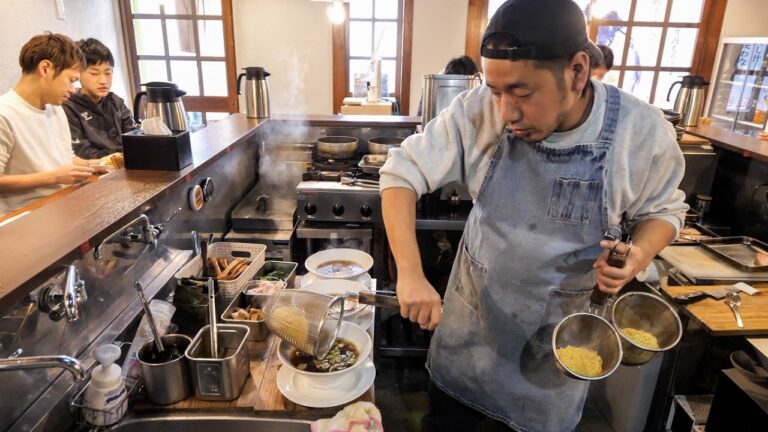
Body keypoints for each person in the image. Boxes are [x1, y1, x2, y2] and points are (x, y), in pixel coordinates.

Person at [379, 0, 687, 431]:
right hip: (469, 341)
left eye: (522, 93)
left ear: (578, 71)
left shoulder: (641, 132)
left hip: (552, 363)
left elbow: (664, 210)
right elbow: (399, 174)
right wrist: (410, 272)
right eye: (496, 91)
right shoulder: (479, 112)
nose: (507, 111)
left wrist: (638, 254)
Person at [0, 33, 105, 215]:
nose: (73, 90)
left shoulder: (55, 108)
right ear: (46, 68)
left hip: (64, 204)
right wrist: (54, 177)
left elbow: (64, 158)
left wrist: (99, 164)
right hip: (25, 217)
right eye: (71, 80)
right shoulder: (5, 114)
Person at [63, 38, 137, 158]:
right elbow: (82, 152)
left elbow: (135, 138)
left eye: (108, 73)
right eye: (94, 73)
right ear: (79, 74)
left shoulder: (116, 102)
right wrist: (120, 156)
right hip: (94, 172)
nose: (103, 81)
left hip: (125, 166)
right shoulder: (69, 106)